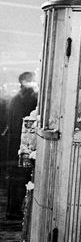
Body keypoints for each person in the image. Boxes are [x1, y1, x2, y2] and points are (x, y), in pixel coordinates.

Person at [5, 71, 38, 220]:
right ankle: (16, 211)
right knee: (21, 178)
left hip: (14, 146)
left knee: (16, 179)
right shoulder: (25, 100)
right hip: (21, 145)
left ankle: (13, 211)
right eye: (30, 81)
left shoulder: (15, 99)